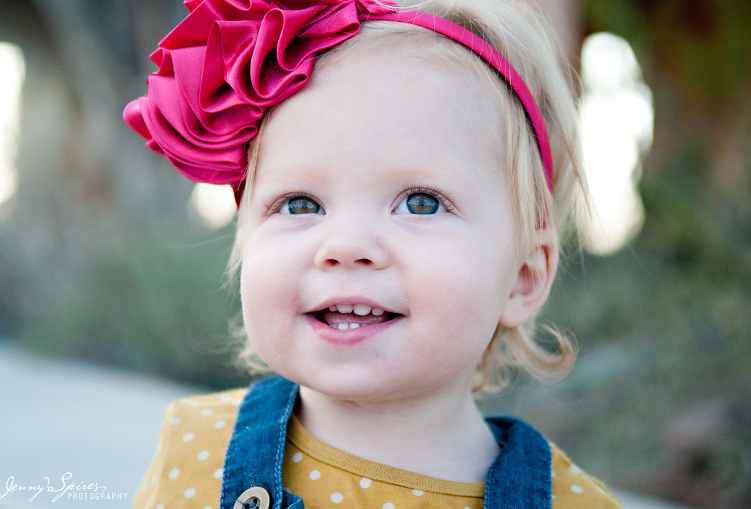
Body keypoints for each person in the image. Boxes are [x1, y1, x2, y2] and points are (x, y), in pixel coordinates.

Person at [124, 0, 624, 507]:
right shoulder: (194, 449)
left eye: (421, 203)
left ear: (522, 276)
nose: (346, 245)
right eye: (301, 204)